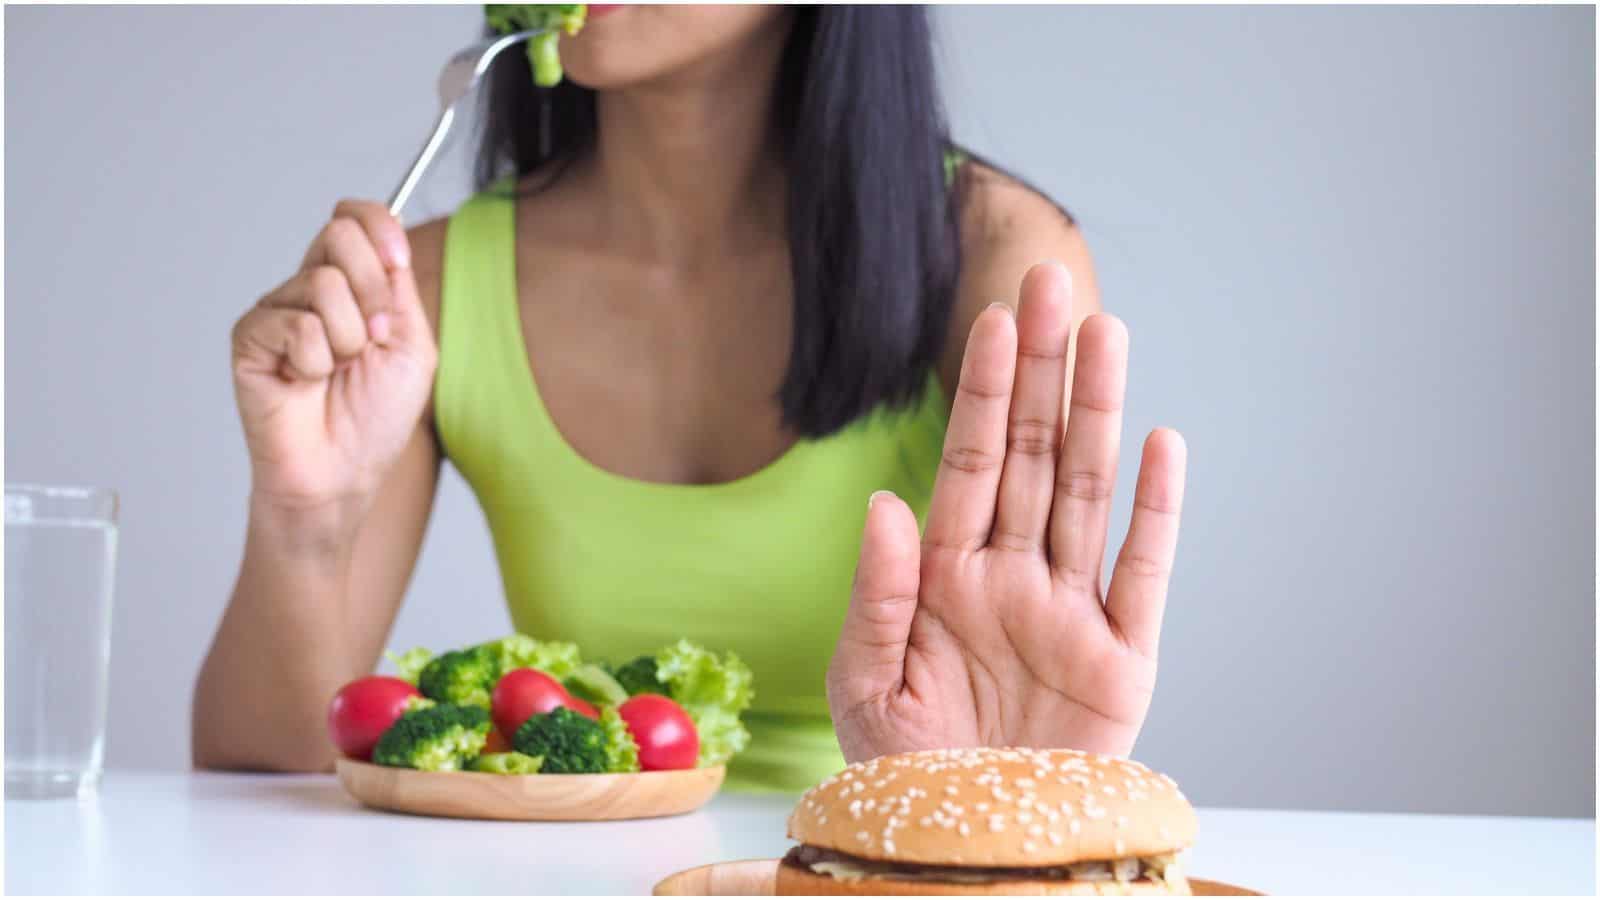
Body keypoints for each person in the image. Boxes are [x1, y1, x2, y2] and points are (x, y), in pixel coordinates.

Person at [194, 5, 1187, 793]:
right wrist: (306, 517)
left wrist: (1001, 775)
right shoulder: (428, 286)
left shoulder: (993, 255)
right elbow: (257, 776)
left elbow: (1027, 716)